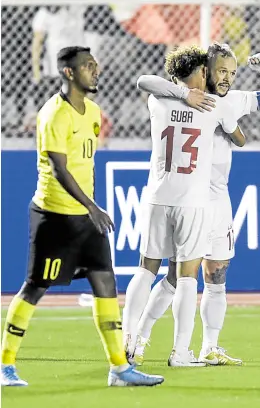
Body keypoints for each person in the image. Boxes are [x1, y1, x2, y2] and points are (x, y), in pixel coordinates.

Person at [1, 46, 164, 388]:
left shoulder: (93, 112)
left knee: (105, 283)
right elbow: (59, 169)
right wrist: (92, 206)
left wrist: (90, 209)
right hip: (55, 216)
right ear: (68, 73)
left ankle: (119, 368)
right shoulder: (54, 114)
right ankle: (5, 365)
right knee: (35, 287)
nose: (96, 69)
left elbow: (83, 163)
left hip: (86, 218)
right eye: (87, 65)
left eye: (95, 63)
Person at [132, 44, 260, 366]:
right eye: (221, 71)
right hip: (189, 199)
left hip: (218, 199)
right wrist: (187, 95)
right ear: (204, 71)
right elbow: (147, 81)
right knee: (174, 277)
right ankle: (141, 339)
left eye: (232, 73)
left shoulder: (233, 100)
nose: (227, 78)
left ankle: (209, 345)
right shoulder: (179, 98)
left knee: (217, 276)